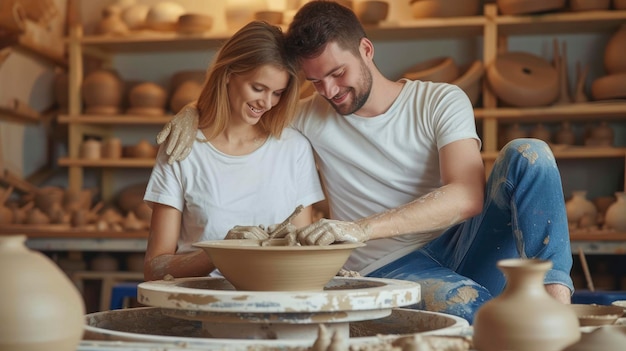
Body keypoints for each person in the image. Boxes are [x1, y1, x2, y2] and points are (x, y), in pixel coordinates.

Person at [155, 1, 573, 323]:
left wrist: (358, 228)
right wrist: (191, 112)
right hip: (387, 263)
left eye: (337, 73)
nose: (330, 90)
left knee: (529, 153)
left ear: (367, 49)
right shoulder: (309, 114)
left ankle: (559, 313)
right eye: (315, 81)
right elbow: (246, 102)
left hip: (463, 241)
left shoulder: (439, 100)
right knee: (485, 320)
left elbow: (467, 196)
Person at [143, 21, 325, 281]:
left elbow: (305, 256)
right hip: (202, 307)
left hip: (278, 303)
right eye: (258, 88)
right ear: (228, 74)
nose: (267, 103)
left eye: (277, 93)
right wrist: (221, 252)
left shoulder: (293, 148)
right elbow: (154, 268)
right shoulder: (183, 147)